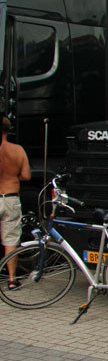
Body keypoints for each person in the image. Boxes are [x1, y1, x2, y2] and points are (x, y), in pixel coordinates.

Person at [0, 117, 31, 290]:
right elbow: (26, 175)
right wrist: (12, 175)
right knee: (10, 240)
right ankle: (12, 279)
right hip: (10, 198)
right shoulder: (18, 150)